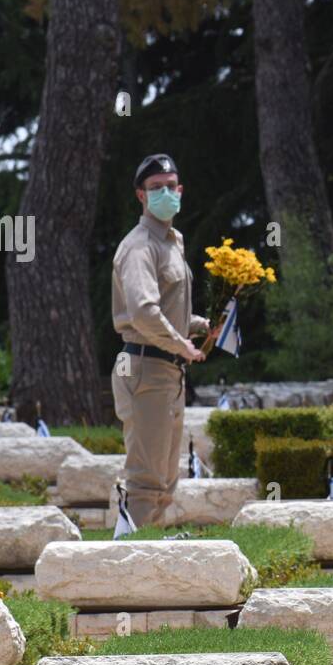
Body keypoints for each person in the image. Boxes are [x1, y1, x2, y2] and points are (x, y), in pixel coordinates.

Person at [111, 153, 219, 527]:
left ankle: (149, 567)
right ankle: (127, 569)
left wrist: (204, 326)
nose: (165, 194)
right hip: (145, 365)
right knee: (146, 481)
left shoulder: (173, 241)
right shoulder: (140, 245)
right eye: (156, 188)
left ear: (181, 190)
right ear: (140, 195)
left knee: (165, 483)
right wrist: (180, 344)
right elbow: (143, 313)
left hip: (166, 370)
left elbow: (168, 312)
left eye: (170, 187)